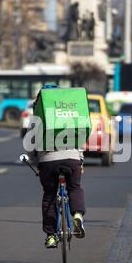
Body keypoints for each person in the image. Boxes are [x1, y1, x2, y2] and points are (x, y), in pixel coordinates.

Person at [27, 86, 86, 249]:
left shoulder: (38, 116)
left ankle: (51, 235)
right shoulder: (71, 113)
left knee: (49, 196)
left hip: (48, 160)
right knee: (74, 188)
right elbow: (80, 138)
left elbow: (31, 144)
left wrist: (36, 162)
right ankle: (78, 214)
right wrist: (80, 160)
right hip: (72, 158)